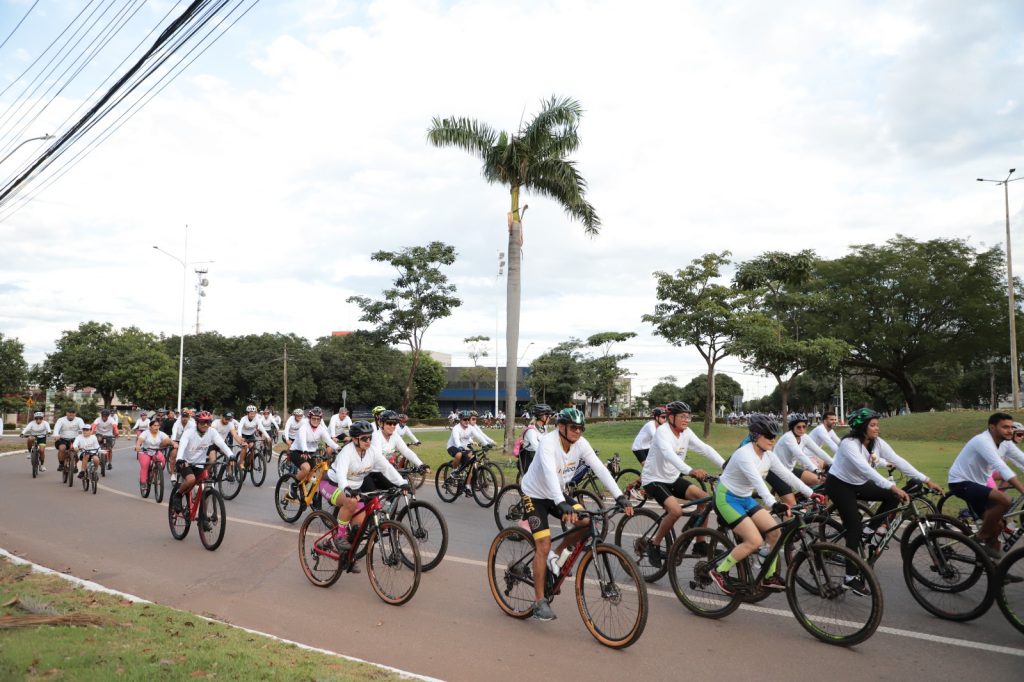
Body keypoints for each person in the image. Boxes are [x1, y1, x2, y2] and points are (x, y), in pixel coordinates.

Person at [519, 407, 631, 621]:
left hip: (555, 494)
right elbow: (550, 474)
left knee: (586, 523)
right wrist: (561, 503)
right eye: (573, 427)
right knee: (543, 544)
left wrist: (619, 496)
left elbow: (599, 468)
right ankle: (539, 601)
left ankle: (556, 558)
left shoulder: (580, 444)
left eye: (581, 428)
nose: (578, 431)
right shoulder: (548, 443)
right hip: (534, 495)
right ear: (561, 427)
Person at [711, 414, 823, 593]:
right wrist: (774, 504)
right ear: (756, 436)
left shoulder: (768, 455)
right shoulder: (743, 455)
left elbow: (787, 476)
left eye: (775, 436)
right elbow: (758, 483)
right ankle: (719, 571)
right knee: (754, 540)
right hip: (727, 499)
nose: (773, 440)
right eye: (769, 436)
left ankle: (768, 577)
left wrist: (811, 493)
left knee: (775, 533)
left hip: (745, 498)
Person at [825, 408, 915, 594]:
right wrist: (891, 485)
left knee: (892, 497)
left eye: (877, 425)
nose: (877, 428)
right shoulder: (849, 444)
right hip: (839, 486)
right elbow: (867, 471)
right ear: (862, 427)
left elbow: (897, 460)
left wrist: (925, 479)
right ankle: (850, 578)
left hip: (858, 484)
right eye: (873, 425)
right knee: (854, 528)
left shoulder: (876, 443)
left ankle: (869, 531)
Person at [640, 401, 725, 568]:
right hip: (654, 479)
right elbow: (668, 454)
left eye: (688, 416)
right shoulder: (662, 433)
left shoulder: (686, 432)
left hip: (672, 477)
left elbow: (705, 449)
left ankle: (699, 543)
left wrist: (726, 467)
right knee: (676, 510)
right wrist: (690, 470)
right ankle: (654, 545)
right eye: (682, 416)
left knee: (705, 500)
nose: (686, 420)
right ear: (671, 417)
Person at [321, 421, 410, 562]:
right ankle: (339, 536)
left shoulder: (372, 451)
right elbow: (341, 475)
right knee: (350, 502)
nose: (368, 441)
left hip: (354, 490)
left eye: (369, 438)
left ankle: (343, 554)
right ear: (355, 439)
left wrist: (402, 483)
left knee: (358, 529)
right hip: (332, 484)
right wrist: (346, 488)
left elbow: (387, 468)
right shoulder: (347, 452)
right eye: (364, 438)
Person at [948, 412, 1024, 558]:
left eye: (1011, 427)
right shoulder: (982, 441)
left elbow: (1022, 459)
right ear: (992, 427)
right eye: (1005, 427)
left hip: (979, 485)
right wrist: (1022, 489)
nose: (1010, 430)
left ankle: (997, 571)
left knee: (998, 527)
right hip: (960, 482)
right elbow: (1000, 466)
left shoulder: (1006, 443)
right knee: (1005, 500)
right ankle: (980, 537)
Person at [172, 411, 235, 512]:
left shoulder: (212, 432)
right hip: (185, 462)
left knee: (206, 488)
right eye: (202, 422)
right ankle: (178, 495)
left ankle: (203, 517)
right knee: (191, 479)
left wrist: (231, 455)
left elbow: (221, 444)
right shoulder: (189, 432)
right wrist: (179, 459)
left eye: (208, 422)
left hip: (199, 464)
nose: (205, 425)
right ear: (197, 423)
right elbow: (182, 445)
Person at [770, 413, 834, 506]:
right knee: (792, 504)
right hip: (775, 472)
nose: (802, 429)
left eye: (804, 427)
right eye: (798, 427)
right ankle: (792, 504)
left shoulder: (804, 437)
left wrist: (834, 463)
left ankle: (801, 499)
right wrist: (815, 469)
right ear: (792, 427)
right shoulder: (788, 437)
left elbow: (819, 451)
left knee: (819, 480)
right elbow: (800, 455)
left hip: (789, 470)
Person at [287, 407, 340, 500]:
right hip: (297, 451)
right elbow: (302, 440)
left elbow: (329, 440)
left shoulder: (321, 429)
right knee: (306, 468)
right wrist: (305, 450)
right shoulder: (304, 427)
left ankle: (310, 495)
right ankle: (294, 485)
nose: (315, 421)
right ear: (310, 418)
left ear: (320, 420)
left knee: (313, 477)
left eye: (318, 419)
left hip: (311, 453)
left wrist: (338, 448)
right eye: (313, 418)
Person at [446, 410, 492, 497]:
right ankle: (454, 471)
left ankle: (467, 486)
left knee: (472, 463)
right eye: (464, 419)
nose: (467, 421)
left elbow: (479, 436)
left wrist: (486, 444)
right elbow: (456, 440)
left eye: (468, 419)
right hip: (453, 447)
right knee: (459, 454)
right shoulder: (456, 428)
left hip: (464, 448)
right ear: (460, 420)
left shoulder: (470, 428)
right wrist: (459, 447)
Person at [136, 418, 173, 495]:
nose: (157, 427)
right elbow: (140, 440)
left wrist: (173, 443)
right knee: (145, 465)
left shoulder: (161, 433)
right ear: (150, 427)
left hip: (156, 451)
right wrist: (137, 445)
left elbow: (168, 440)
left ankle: (157, 473)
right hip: (144, 452)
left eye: (158, 425)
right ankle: (143, 482)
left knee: (162, 461)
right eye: (154, 425)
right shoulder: (146, 433)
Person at [518, 404, 555, 477]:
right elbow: (537, 447)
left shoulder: (543, 428)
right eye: (549, 416)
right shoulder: (531, 431)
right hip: (529, 459)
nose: (550, 418)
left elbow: (547, 441)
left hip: (538, 457)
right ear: (543, 416)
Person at [236, 405, 272, 472]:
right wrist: (240, 437)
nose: (253, 415)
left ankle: (250, 462)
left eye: (254, 413)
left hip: (251, 435)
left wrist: (267, 436)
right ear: (247, 413)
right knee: (245, 446)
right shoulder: (243, 419)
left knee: (252, 447)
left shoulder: (256, 419)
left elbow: (261, 428)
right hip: (243, 435)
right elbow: (239, 428)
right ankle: (241, 463)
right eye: (251, 413)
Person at [52, 407, 86, 474]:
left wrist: (84, 435)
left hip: (75, 439)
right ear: (66, 413)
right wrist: (56, 435)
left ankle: (74, 465)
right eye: (69, 412)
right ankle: (61, 464)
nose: (71, 414)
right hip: (63, 438)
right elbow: (56, 428)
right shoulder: (61, 420)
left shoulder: (79, 420)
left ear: (75, 413)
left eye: (73, 412)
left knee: (78, 451)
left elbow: (83, 428)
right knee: (62, 448)